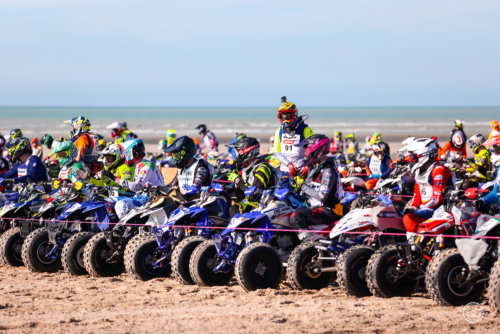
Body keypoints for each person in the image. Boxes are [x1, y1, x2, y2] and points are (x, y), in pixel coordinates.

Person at [289, 135, 343, 241]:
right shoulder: (316, 167)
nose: (305, 153)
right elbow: (310, 190)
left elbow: (321, 196)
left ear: (317, 150)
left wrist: (302, 185)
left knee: (296, 216)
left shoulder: (328, 170)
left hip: (330, 210)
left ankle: (307, 245)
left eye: (307, 150)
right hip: (315, 206)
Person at [401, 138, 454, 233]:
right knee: (399, 217)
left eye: (414, 157)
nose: (411, 160)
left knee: (408, 218)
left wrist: (418, 208)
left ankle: (420, 235)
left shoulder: (439, 169)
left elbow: (437, 198)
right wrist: (412, 207)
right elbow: (417, 195)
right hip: (425, 208)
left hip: (439, 209)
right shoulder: (418, 171)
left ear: (424, 155)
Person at [226, 137, 279, 217]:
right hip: (254, 204)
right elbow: (241, 197)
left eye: (238, 153)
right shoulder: (249, 168)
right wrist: (237, 186)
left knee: (234, 210)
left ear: (246, 152)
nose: (237, 156)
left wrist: (238, 180)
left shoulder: (262, 169)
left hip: (266, 205)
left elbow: (253, 195)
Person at [273, 96, 314, 174]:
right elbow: (276, 152)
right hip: (284, 171)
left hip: (302, 171)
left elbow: (315, 150)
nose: (285, 120)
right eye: (283, 117)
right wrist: (289, 165)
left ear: (294, 114)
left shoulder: (305, 129)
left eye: (288, 116)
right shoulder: (279, 131)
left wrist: (307, 166)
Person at [164, 136, 213, 200]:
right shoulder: (181, 168)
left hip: (200, 201)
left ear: (186, 154)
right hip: (186, 201)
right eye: (174, 156)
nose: (175, 159)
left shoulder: (200, 165)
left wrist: (184, 199)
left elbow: (196, 186)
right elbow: (173, 184)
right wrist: (159, 189)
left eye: (177, 156)